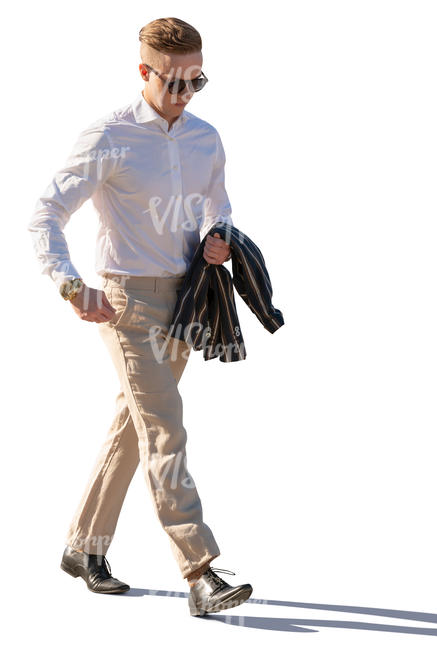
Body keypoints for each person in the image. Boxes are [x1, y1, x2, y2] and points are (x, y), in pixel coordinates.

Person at [27, 16, 252, 617]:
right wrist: (71, 285)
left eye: (195, 83)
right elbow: (44, 214)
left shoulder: (206, 138)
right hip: (125, 303)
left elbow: (218, 205)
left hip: (186, 300)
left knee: (135, 426)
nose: (183, 94)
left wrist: (218, 237)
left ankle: (83, 547)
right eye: (173, 82)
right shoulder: (110, 137)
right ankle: (200, 570)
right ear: (144, 72)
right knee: (165, 428)